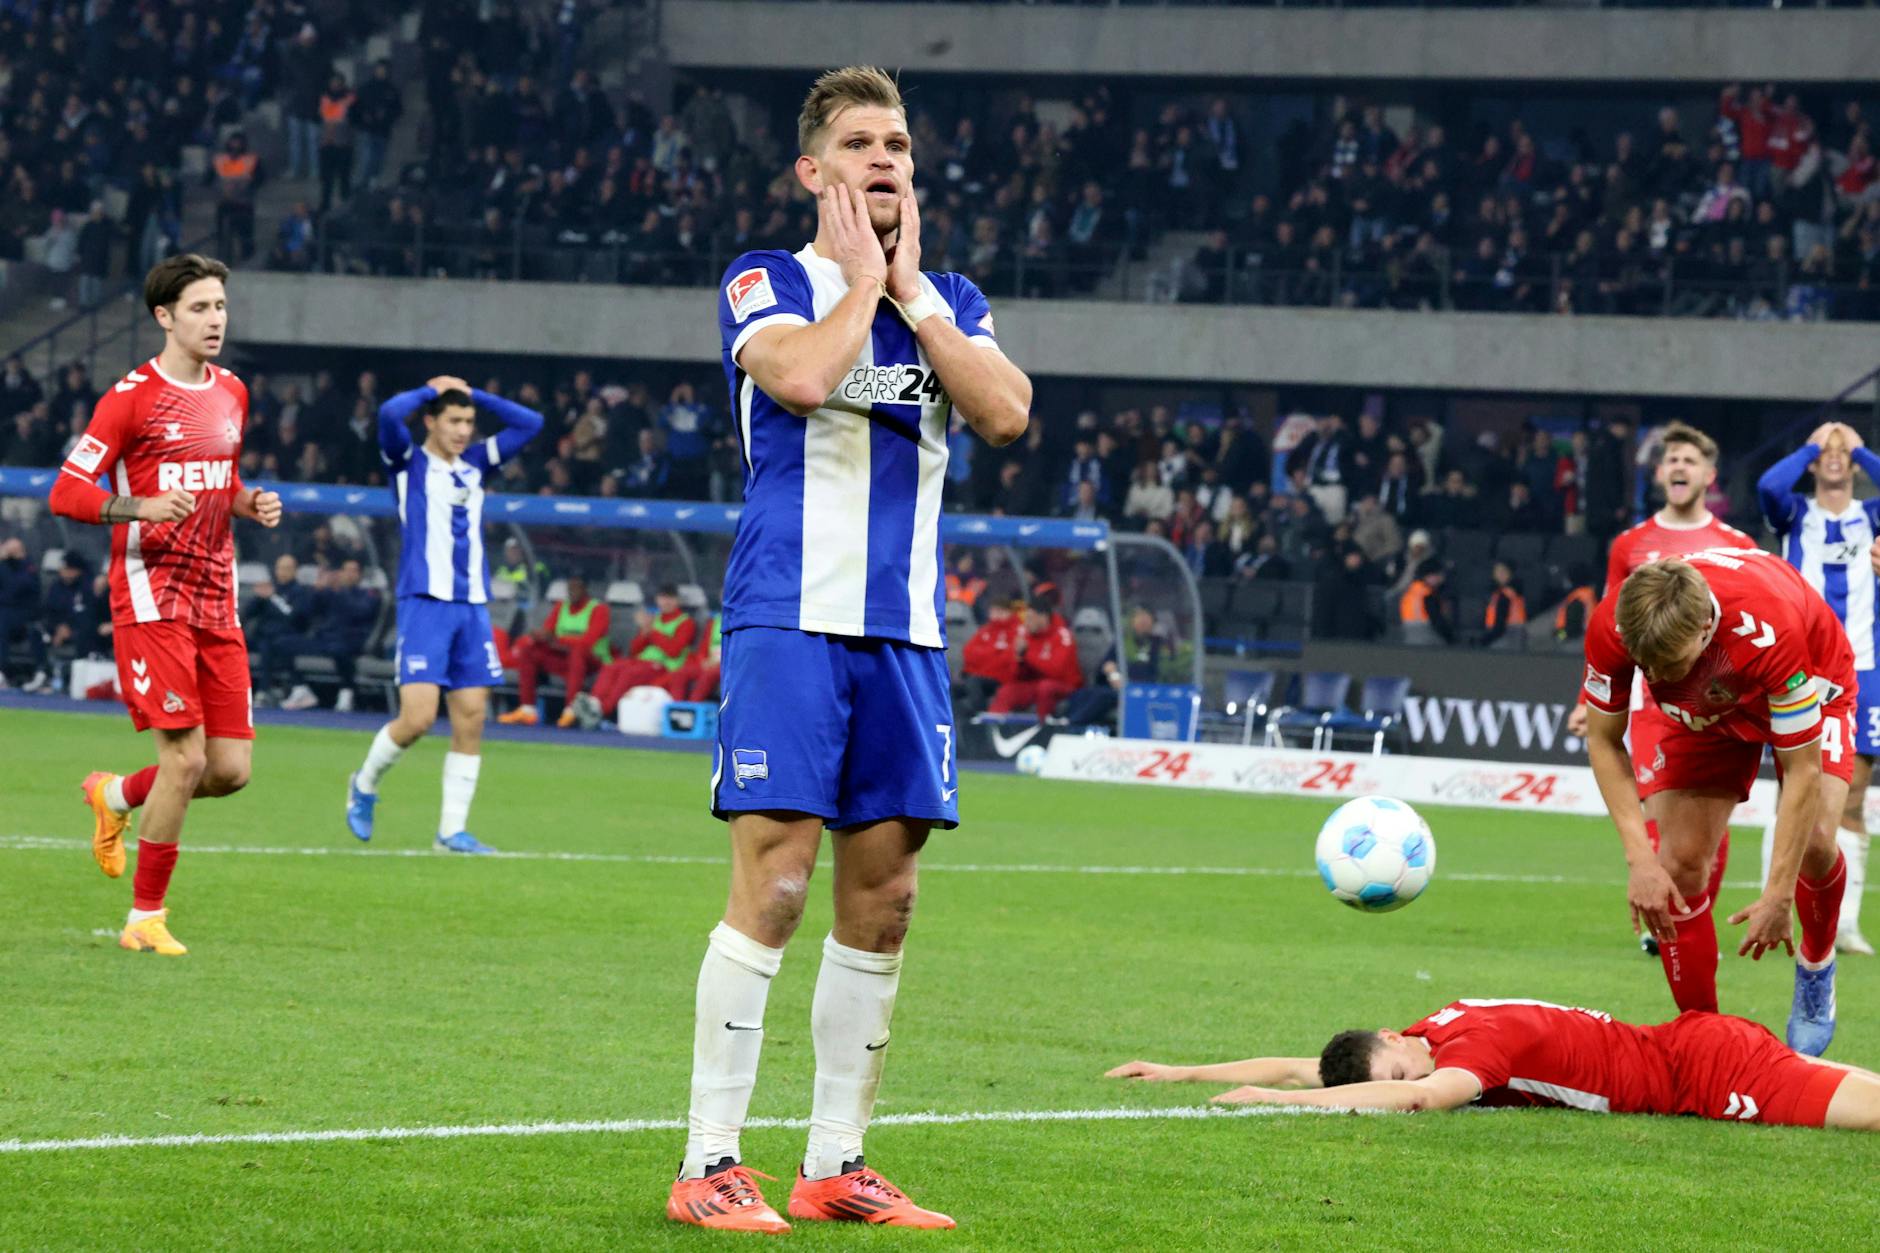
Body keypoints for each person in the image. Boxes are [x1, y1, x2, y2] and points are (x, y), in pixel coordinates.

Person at [669, 65, 1030, 1234]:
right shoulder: (767, 278)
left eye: (901, 146)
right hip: (788, 615)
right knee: (775, 883)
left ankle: (836, 1161)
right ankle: (710, 1160)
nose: (887, 160)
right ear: (811, 170)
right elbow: (803, 375)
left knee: (885, 903)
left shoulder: (952, 299)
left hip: (904, 632)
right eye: (862, 143)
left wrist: (914, 294)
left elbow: (1006, 411)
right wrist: (866, 284)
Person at [47, 254, 282, 956]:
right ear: (164, 317)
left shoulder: (233, 391)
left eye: (220, 307)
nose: (216, 319)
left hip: (218, 596)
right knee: (183, 761)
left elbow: (223, 478)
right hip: (153, 596)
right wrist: (136, 505)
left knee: (229, 770)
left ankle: (114, 795)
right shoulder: (129, 398)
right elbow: (66, 490)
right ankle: (144, 916)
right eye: (201, 308)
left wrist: (249, 501)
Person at [1581, 549, 1853, 1055]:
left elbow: (1801, 771)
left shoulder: (1769, 627)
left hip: (1813, 677)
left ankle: (1816, 969)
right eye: (1648, 668)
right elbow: (1603, 740)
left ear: (1706, 627)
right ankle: (1706, 1041)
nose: (1657, 679)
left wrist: (1777, 893)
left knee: (1815, 843)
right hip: (1703, 712)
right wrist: (1640, 858)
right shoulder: (1617, 622)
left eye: (1670, 664)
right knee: (1678, 866)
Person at [1107, 997, 1880, 1132]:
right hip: (1689, 1046)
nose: (1402, 1079)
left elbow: (1420, 1101)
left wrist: (1271, 1107)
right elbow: (1299, 1063)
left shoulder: (1471, 1052)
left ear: (1398, 1044)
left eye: (1397, 1072)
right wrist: (1179, 1072)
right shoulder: (1427, 1027)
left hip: (1705, 1074)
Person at [1565, 423, 1755, 957]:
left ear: (1709, 476)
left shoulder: (1735, 545)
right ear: (1659, 472)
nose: (1679, 467)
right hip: (1650, 699)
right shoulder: (1631, 544)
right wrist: (1587, 699)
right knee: (1654, 812)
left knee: (1705, 825)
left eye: (1690, 461)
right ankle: (1663, 916)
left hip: (1715, 703)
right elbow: (1609, 620)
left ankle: (1694, 916)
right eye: (1671, 459)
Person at [343, 375, 544, 854]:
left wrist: (476, 395)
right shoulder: (406, 461)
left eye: (469, 422)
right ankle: (364, 783)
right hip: (424, 603)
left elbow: (531, 423)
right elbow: (391, 414)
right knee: (416, 719)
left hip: (472, 605)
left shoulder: (476, 462)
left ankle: (451, 831)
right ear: (431, 420)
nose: (463, 431)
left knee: (472, 716)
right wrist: (429, 389)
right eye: (453, 420)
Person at [1758, 421, 1879, 957]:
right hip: (1797, 665)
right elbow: (1767, 487)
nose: (1833, 457)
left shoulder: (1870, 518)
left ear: (1853, 462)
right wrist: (1810, 443)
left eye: (1841, 452)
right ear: (1811, 462)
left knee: (1852, 795)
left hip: (1865, 669)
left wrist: (1860, 448)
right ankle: (1773, 903)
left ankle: (1844, 923)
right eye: (1824, 453)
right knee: (1794, 790)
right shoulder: (1795, 514)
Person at [500, 575, 612, 728]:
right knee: (530, 650)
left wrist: (557, 640)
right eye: (569, 588)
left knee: (578, 652)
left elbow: (589, 641)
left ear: (585, 590)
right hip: (565, 658)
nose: (572, 592)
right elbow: (549, 631)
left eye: (576, 588)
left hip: (593, 662)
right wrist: (541, 636)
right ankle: (527, 709)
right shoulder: (561, 606)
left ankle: (571, 710)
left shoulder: (599, 609)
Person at [581, 584, 697, 721]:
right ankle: (593, 702)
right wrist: (643, 633)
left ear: (678, 601)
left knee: (629, 674)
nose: (666, 602)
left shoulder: (686, 622)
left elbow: (674, 651)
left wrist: (651, 631)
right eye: (663, 598)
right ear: (657, 600)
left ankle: (603, 710)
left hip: (662, 667)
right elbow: (634, 651)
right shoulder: (654, 619)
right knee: (612, 666)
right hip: (641, 662)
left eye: (670, 598)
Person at [979, 594, 1086, 720]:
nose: (1026, 623)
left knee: (1046, 688)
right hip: (1035, 684)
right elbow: (1016, 675)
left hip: (1065, 686)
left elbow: (1055, 671)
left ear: (1043, 617)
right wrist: (1020, 660)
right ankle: (993, 728)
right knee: (1006, 691)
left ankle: (1042, 729)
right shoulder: (1025, 635)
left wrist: (1026, 655)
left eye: (1030, 618)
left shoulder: (1062, 636)